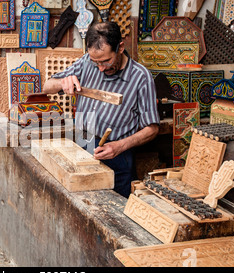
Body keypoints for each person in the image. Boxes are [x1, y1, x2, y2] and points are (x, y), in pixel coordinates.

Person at [43, 22, 160, 198]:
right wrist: (62, 82)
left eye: (106, 61)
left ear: (120, 47)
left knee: (114, 213)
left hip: (117, 155)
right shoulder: (86, 62)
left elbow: (152, 129)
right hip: (81, 145)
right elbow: (47, 86)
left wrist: (120, 146)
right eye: (95, 62)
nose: (100, 68)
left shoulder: (141, 77)